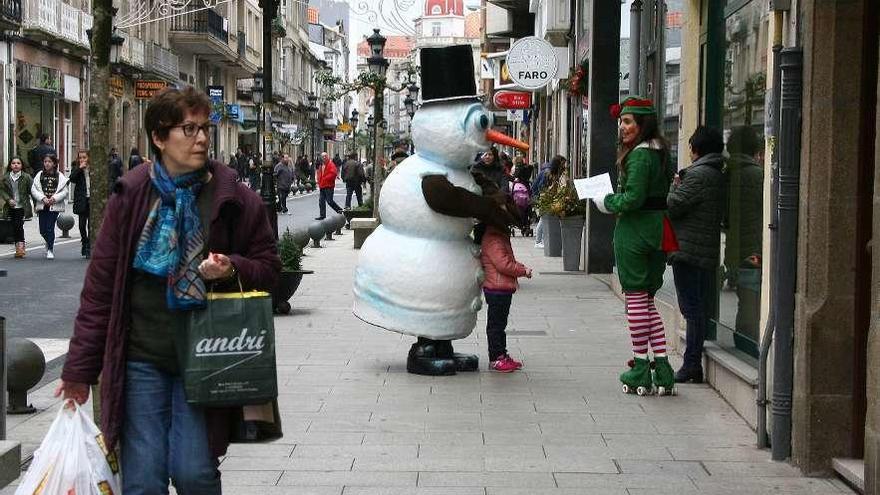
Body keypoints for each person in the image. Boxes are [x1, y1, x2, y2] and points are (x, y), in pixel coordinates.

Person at [55, 86, 280, 495]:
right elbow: (101, 289)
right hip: (143, 357)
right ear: (159, 138)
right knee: (142, 481)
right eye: (188, 129)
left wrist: (232, 268)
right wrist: (79, 371)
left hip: (206, 357)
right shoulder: (132, 195)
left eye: (204, 129)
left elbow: (270, 269)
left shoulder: (233, 198)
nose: (200, 139)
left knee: (194, 472)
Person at [596, 96, 676, 396]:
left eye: (628, 122)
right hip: (658, 230)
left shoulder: (640, 156)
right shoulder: (661, 152)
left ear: (643, 124)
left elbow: (632, 199)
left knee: (636, 302)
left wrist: (605, 201)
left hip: (636, 230)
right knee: (648, 302)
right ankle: (663, 366)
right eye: (621, 122)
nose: (622, 127)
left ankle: (640, 366)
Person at [667, 126, 725, 384]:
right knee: (697, 308)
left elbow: (674, 206)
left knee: (691, 309)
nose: (689, 154)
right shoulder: (716, 173)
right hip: (704, 249)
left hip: (688, 250)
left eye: (690, 148)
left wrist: (673, 187)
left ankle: (691, 364)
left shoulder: (698, 175)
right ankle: (693, 363)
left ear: (696, 149)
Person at [475, 207, 532, 373]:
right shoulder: (494, 239)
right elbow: (503, 264)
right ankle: (497, 358)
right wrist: (523, 270)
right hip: (497, 288)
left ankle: (501, 354)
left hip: (500, 288)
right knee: (496, 325)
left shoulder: (497, 237)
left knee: (499, 324)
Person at [30, 154, 69, 260]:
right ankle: (48, 241)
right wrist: (43, 198)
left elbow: (65, 191)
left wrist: (54, 198)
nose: (47, 163)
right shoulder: (39, 175)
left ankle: (50, 249)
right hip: (42, 205)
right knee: (42, 229)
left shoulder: (59, 176)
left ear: (54, 163)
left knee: (49, 227)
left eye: (49, 161)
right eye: (45, 161)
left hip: (54, 205)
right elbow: (34, 189)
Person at [0, 157, 33, 258]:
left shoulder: (26, 177)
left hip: (22, 206)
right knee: (14, 226)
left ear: (21, 165)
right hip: (10, 206)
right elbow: (1, 190)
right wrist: (8, 199)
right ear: (10, 165)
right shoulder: (5, 177)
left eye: (18, 163)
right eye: (13, 163)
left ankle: (20, 248)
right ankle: (18, 247)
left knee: (19, 225)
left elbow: (33, 190)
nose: (16, 165)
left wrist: (37, 204)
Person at [532, 156, 565, 248]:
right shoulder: (547, 173)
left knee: (544, 219)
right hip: (542, 198)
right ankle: (538, 241)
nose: (564, 165)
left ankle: (542, 240)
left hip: (546, 197)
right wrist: (544, 195)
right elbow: (540, 186)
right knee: (543, 219)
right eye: (562, 163)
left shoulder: (554, 173)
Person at [68, 150, 92, 258]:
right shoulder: (76, 168)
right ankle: (84, 242)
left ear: (89, 158)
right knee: (82, 225)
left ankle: (89, 246)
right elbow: (72, 179)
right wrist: (79, 168)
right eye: (80, 158)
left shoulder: (93, 168)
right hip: (82, 199)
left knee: (90, 225)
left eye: (84, 157)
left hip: (91, 199)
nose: (82, 159)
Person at [315, 151, 342, 220]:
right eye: (322, 157)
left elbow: (333, 173)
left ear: (327, 157)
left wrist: (325, 179)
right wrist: (319, 181)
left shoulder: (330, 164)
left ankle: (340, 210)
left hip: (329, 186)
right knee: (321, 201)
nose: (324, 158)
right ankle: (322, 215)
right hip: (322, 185)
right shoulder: (321, 165)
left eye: (325, 156)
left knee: (329, 201)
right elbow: (319, 174)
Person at [511, 165, 533, 236]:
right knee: (527, 211)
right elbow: (529, 194)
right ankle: (526, 225)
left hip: (516, 203)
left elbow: (512, 193)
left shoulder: (516, 183)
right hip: (525, 204)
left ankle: (514, 224)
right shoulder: (527, 184)